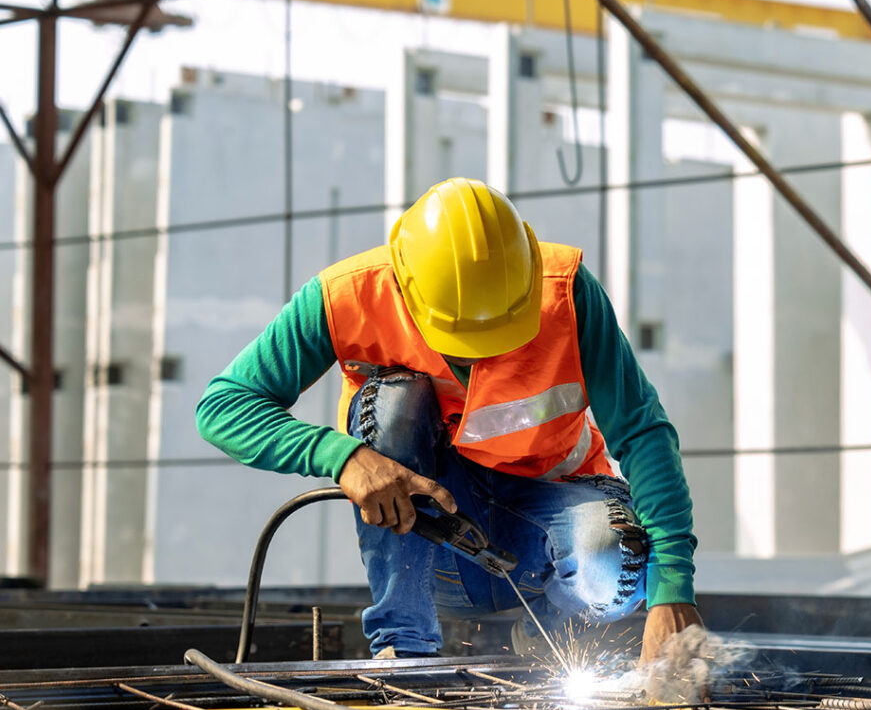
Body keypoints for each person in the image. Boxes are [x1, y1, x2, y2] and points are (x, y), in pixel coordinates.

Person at [196, 177, 701, 663]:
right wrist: (343, 457)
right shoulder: (347, 297)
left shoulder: (566, 295)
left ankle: (552, 633)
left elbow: (643, 432)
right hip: (435, 540)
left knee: (612, 560)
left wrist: (673, 591)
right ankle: (403, 646)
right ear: (405, 288)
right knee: (395, 405)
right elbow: (223, 406)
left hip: (548, 527)